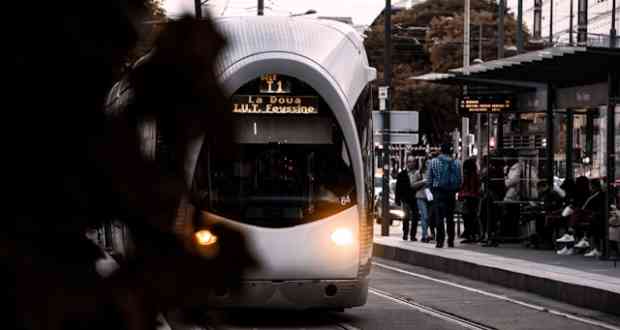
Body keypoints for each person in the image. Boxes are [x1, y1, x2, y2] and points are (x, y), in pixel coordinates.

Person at [428, 143, 462, 248]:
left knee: (439, 217)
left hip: (438, 192)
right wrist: (455, 190)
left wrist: (433, 190)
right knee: (450, 217)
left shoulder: (433, 162)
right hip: (451, 192)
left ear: (441, 150)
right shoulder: (457, 163)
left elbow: (430, 179)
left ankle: (440, 241)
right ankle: (451, 240)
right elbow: (460, 179)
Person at [395, 154, 420, 241]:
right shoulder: (402, 174)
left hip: (415, 198)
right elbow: (398, 187)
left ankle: (413, 235)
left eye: (413, 161)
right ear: (406, 163)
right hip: (405, 198)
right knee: (406, 217)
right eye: (409, 162)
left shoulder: (417, 173)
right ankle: (405, 233)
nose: (411, 163)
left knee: (415, 217)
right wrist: (397, 199)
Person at [459, 157, 481, 243]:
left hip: (468, 198)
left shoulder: (468, 176)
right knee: (472, 216)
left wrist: (462, 195)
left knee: (467, 217)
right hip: (473, 198)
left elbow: (465, 187)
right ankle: (472, 234)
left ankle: (470, 234)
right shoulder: (475, 175)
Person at [413, 156, 432, 242]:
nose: (429, 165)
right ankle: (425, 235)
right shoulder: (419, 173)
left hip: (430, 197)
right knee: (425, 216)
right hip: (421, 196)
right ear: (424, 163)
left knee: (429, 217)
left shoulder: (433, 173)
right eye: (427, 163)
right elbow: (413, 185)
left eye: (430, 163)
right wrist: (423, 181)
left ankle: (429, 234)